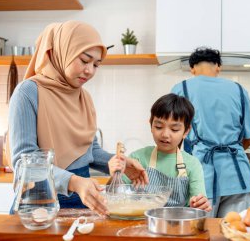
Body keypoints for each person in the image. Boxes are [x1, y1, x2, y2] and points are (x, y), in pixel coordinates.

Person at [8, 21, 148, 215]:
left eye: (96, 65)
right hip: (40, 202)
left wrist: (117, 162)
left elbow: (89, 150)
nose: (90, 70)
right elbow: (24, 165)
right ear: (62, 52)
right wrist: (73, 182)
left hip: (82, 199)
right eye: (84, 60)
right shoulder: (28, 92)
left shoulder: (84, 97)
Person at [171, 47, 250, 217]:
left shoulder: (181, 88)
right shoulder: (239, 90)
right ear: (218, 66)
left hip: (200, 177)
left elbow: (173, 138)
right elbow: (249, 139)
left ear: (192, 68)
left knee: (201, 234)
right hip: (238, 178)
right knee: (235, 234)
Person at [114, 93, 211, 211]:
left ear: (186, 131)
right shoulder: (137, 158)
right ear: (151, 125)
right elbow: (116, 195)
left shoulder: (192, 164)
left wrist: (199, 204)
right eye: (159, 127)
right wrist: (116, 172)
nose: (165, 135)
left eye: (174, 129)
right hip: (141, 223)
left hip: (177, 225)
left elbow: (198, 201)